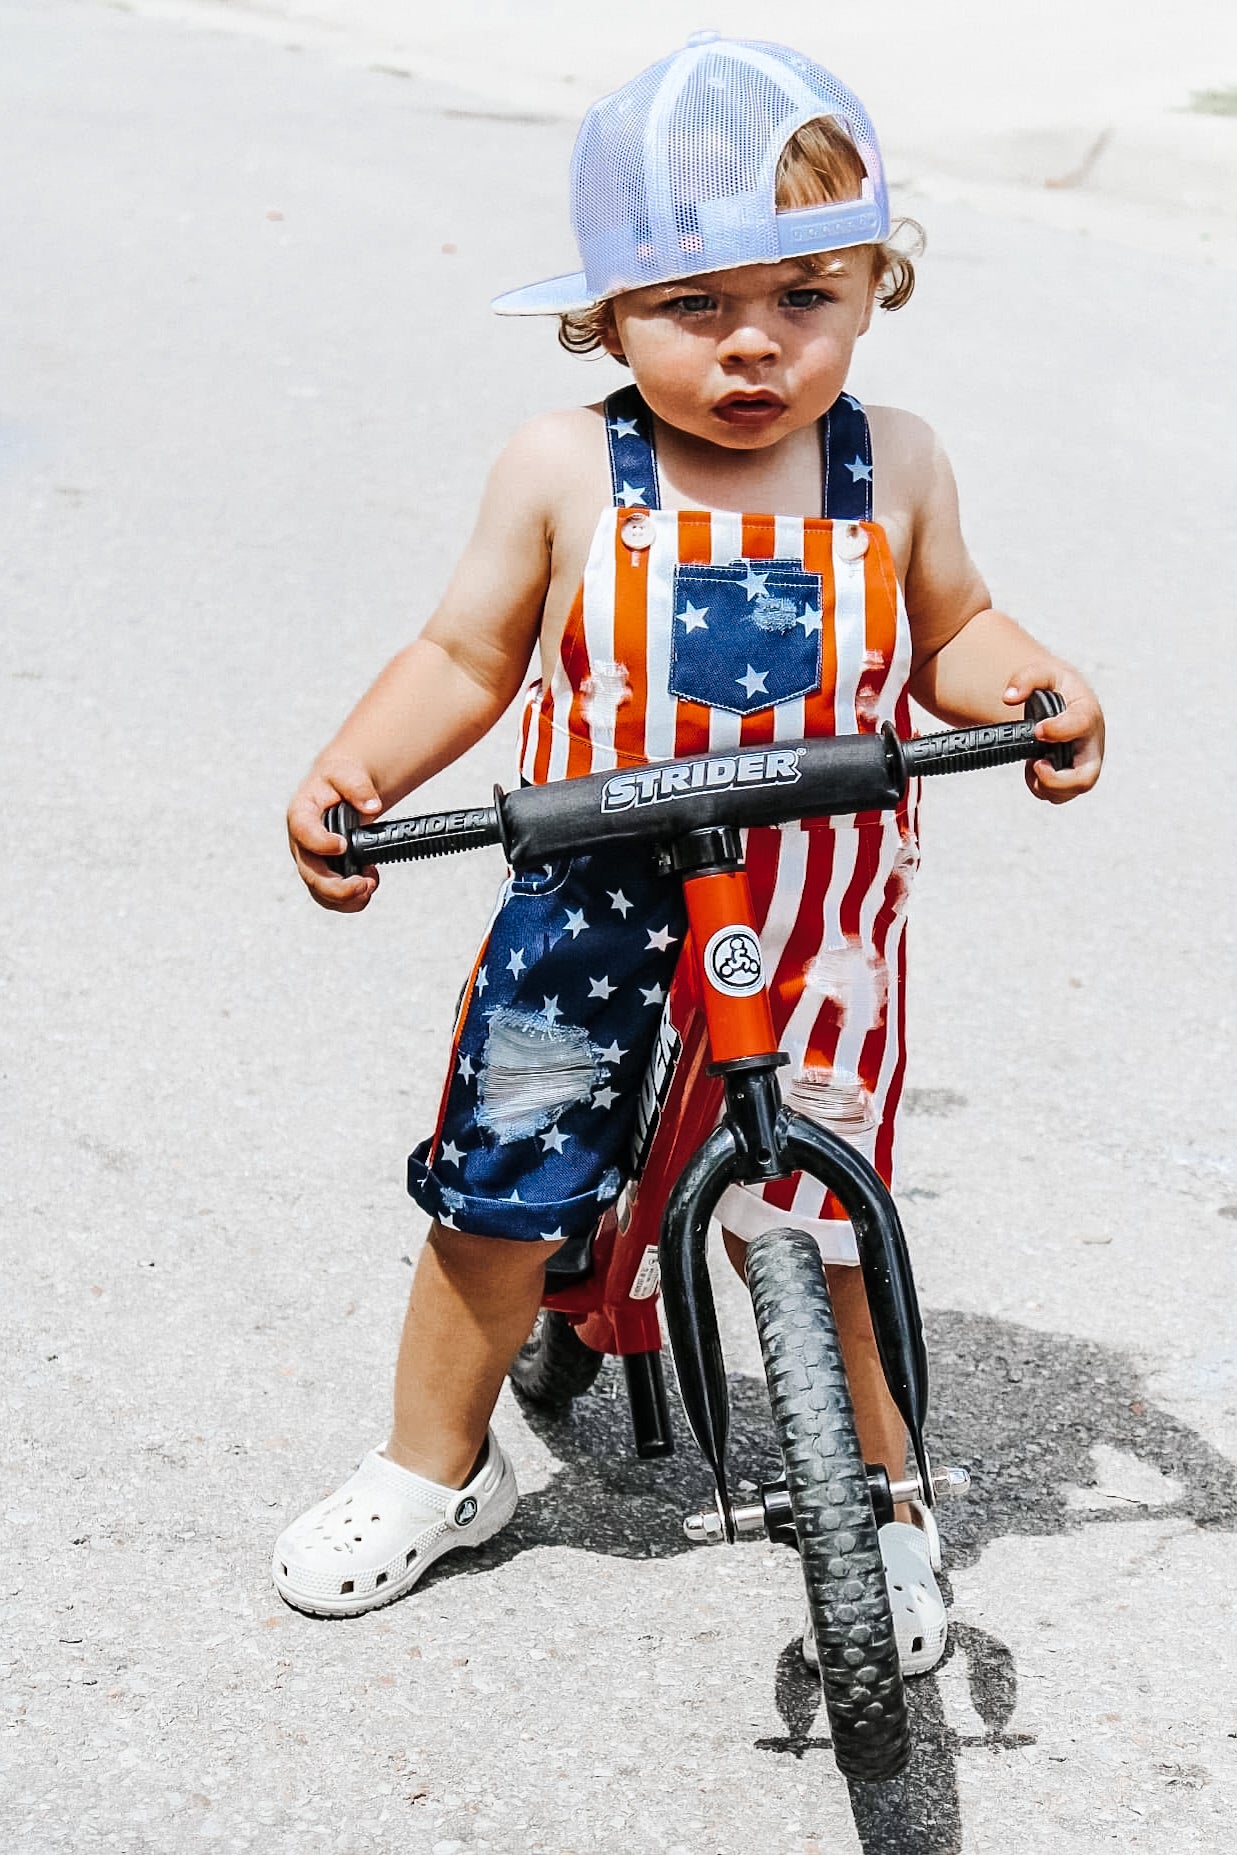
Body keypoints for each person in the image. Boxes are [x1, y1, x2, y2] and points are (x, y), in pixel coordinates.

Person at [272, 34, 1103, 1672]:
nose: (752, 344)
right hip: (589, 913)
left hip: (813, 932)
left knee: (829, 1222)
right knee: (501, 1198)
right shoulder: (564, 469)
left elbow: (950, 629)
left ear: (871, 285)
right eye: (692, 304)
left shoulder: (893, 464)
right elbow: (465, 655)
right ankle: (433, 1466)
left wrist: (1024, 684)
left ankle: (879, 1496)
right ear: (605, 311)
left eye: (804, 295)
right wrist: (360, 768)